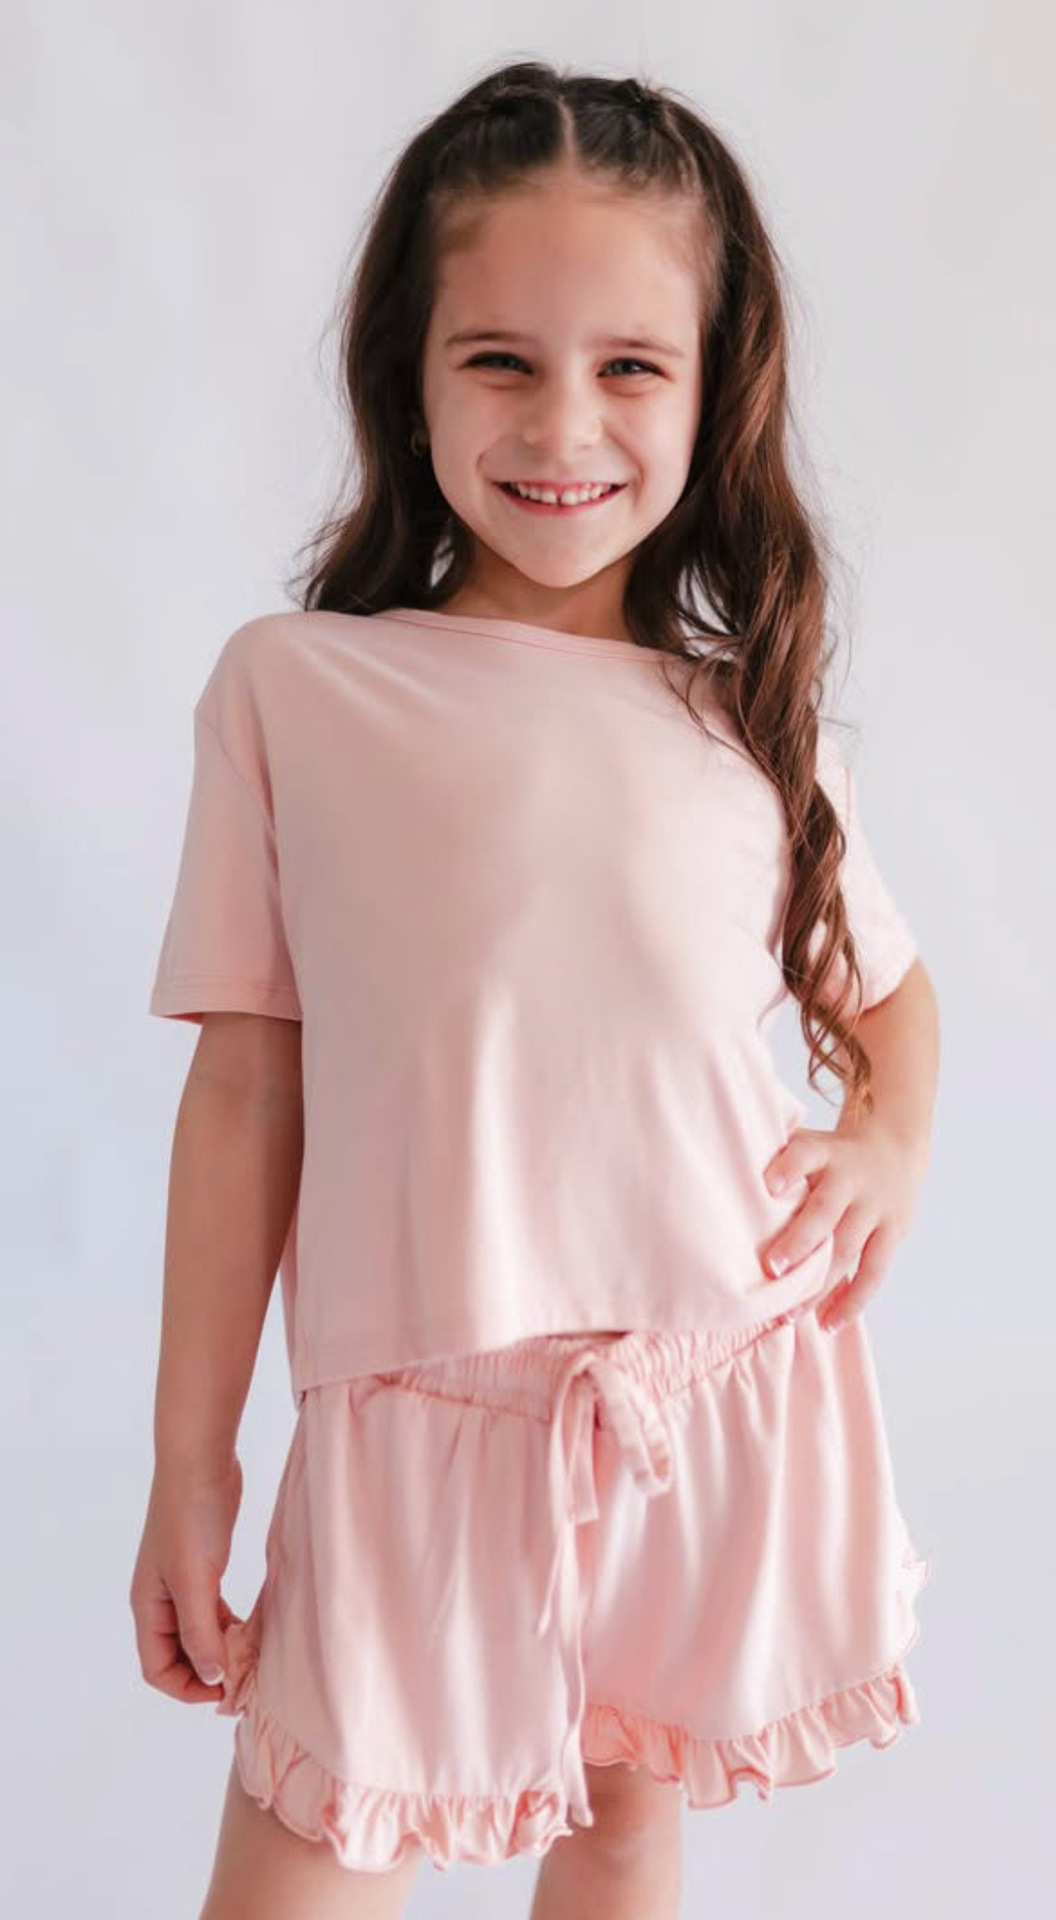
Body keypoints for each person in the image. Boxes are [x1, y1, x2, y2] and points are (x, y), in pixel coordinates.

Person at [130, 58, 939, 1920]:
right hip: (409, 1419)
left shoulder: (746, 727)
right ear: (406, 377)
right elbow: (247, 1092)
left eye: (630, 366)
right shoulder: (299, 692)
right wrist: (193, 1463)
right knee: (311, 1856)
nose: (562, 422)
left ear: (710, 391)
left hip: (695, 1390)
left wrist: (887, 1143)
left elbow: (894, 1001)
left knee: (626, 1819)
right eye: (498, 359)